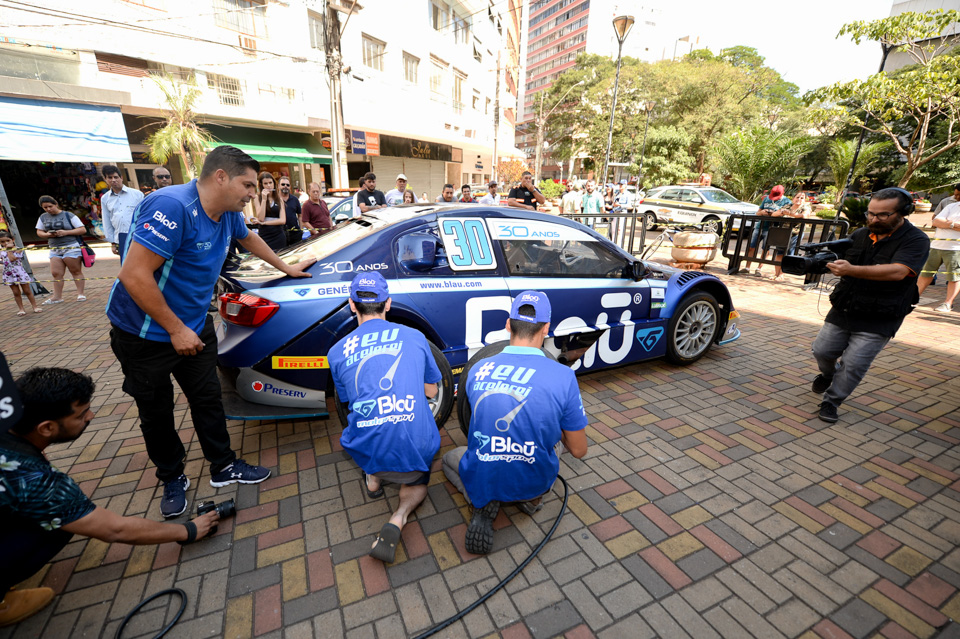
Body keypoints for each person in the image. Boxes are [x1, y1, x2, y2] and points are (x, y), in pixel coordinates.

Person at [105, 145, 316, 518]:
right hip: (144, 332)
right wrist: (175, 330)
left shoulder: (228, 212)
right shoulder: (172, 207)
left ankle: (222, 466)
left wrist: (288, 267)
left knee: (207, 399)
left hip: (193, 326)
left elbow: (249, 239)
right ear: (221, 176)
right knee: (156, 411)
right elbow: (133, 274)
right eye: (248, 185)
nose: (254, 193)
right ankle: (172, 478)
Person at [0, 367, 221, 627]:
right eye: (82, 414)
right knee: (58, 523)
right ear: (46, 428)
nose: (91, 416)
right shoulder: (36, 481)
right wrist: (188, 531)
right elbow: (114, 529)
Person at [443, 291, 588, 554]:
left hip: (485, 471)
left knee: (449, 459)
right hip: (533, 478)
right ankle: (531, 501)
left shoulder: (478, 368)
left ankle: (481, 500)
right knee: (558, 443)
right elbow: (579, 450)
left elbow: (472, 420)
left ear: (508, 324)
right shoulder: (563, 376)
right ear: (546, 329)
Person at [328, 272, 441, 563]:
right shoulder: (416, 337)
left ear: (352, 306)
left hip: (367, 447)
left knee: (369, 424)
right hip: (415, 449)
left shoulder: (336, 351)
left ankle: (373, 480)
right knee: (417, 483)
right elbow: (430, 391)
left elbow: (349, 401)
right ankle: (399, 517)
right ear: (388, 303)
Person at [810, 188, 930, 423]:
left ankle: (831, 401)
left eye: (883, 215)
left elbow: (898, 272)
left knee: (854, 364)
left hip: (882, 314)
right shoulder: (860, 234)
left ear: (903, 212)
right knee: (822, 350)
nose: (874, 219)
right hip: (846, 306)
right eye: (871, 214)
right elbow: (842, 261)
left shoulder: (917, 240)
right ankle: (827, 374)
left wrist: (852, 270)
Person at [35, 195, 87, 304]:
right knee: (56, 273)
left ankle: (81, 294)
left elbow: (82, 229)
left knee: (75, 271)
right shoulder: (43, 217)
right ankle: (57, 296)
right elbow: (39, 231)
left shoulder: (68, 215)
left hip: (70, 246)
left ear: (56, 204)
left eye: (50, 206)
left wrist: (65, 232)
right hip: (54, 248)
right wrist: (47, 234)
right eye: (45, 208)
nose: (48, 209)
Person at [917, 199, 960, 312]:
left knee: (954, 277)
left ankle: (948, 304)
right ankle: (913, 298)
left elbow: (941, 222)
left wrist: (946, 223)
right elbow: (935, 222)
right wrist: (954, 225)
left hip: (956, 248)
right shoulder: (952, 206)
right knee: (926, 273)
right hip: (937, 246)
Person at [742, 185, 792, 277]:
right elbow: (758, 212)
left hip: (772, 228)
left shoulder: (787, 201)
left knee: (765, 249)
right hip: (760, 226)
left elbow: (787, 214)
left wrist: (774, 214)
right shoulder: (767, 199)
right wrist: (762, 213)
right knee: (751, 246)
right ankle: (747, 267)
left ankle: (759, 268)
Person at [100, 165, 144, 256]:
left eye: (116, 177)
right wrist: (112, 242)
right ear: (105, 179)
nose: (113, 180)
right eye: (110, 177)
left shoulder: (137, 194)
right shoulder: (105, 198)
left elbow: (144, 216)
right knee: (126, 267)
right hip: (120, 238)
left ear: (121, 178)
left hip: (138, 236)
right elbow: (107, 220)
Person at [769, 192, 812, 282]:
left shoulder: (805, 207)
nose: (799, 199)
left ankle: (782, 274)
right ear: (793, 198)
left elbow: (804, 216)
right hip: (783, 233)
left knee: (789, 253)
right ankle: (776, 273)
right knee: (779, 253)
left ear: (804, 200)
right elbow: (774, 214)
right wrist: (782, 212)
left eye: (802, 198)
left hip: (796, 234)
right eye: (797, 197)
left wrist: (791, 215)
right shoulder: (788, 206)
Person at [0, 231, 41, 316]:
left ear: (12, 240)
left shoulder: (18, 249)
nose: (5, 243)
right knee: (16, 292)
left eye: (7, 240)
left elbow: (12, 259)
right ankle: (21, 309)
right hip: (8, 274)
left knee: (27, 290)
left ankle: (35, 306)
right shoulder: (1, 251)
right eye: (2, 242)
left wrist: (9, 250)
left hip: (19, 272)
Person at [254, 172, 287, 252]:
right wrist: (264, 199)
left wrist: (265, 223)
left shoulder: (279, 199)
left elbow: (283, 220)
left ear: (273, 183)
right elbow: (261, 218)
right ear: (261, 185)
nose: (268, 185)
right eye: (265, 183)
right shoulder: (257, 197)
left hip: (278, 234)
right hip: (265, 235)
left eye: (270, 183)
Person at [279, 176, 303, 247]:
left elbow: (300, 215)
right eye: (283, 184)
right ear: (278, 186)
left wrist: (301, 230)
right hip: (280, 234)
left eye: (287, 185)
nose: (285, 186)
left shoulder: (295, 199)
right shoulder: (275, 200)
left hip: (295, 234)